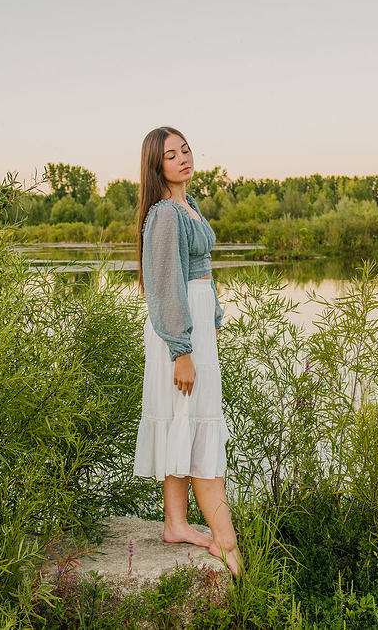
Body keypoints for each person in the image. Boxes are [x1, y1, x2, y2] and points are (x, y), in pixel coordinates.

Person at [132, 126, 242, 578]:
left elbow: (201, 272)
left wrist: (212, 315)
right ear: (156, 165)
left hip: (196, 328)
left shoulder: (189, 205)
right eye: (171, 154)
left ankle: (175, 524)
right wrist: (181, 350)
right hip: (179, 334)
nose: (183, 158)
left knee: (187, 417)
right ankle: (226, 541)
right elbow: (166, 286)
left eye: (185, 149)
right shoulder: (164, 214)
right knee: (195, 420)